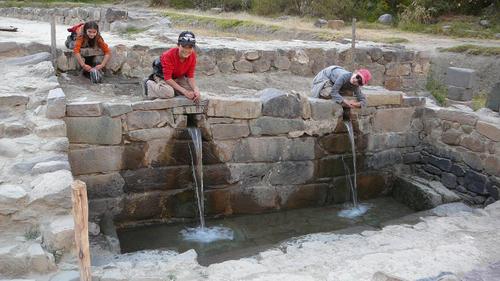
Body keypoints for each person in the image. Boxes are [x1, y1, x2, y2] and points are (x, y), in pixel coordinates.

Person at [143, 31, 200, 102]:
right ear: (178, 45)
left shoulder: (192, 55)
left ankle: (174, 89)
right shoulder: (168, 55)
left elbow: (190, 77)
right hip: (162, 76)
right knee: (168, 93)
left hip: (177, 77)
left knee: (192, 92)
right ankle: (150, 85)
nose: (187, 50)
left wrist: (196, 89)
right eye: (184, 47)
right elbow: (168, 78)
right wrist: (184, 92)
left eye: (190, 47)